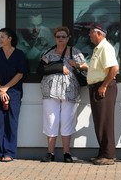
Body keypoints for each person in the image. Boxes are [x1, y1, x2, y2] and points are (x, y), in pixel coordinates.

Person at [39, 26, 88, 163]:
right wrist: (59, 67)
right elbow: (40, 69)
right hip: (50, 92)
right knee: (51, 121)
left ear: (68, 38)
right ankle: (50, 153)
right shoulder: (48, 52)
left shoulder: (75, 52)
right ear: (55, 38)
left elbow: (86, 66)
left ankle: (67, 153)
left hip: (69, 92)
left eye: (63, 37)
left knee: (67, 120)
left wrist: (77, 65)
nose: (60, 39)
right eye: (58, 37)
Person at [0, 28, 27, 162]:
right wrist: (0, 90)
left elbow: (20, 74)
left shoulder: (19, 54)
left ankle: (9, 153)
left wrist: (6, 88)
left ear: (10, 38)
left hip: (14, 92)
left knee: (12, 121)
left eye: (2, 37)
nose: (0, 39)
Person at [87, 23, 119, 165]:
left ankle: (108, 155)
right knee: (99, 122)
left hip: (104, 87)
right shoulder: (98, 49)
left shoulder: (106, 48)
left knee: (105, 121)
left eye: (90, 33)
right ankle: (102, 153)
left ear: (99, 33)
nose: (89, 35)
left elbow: (114, 69)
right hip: (97, 87)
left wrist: (104, 86)